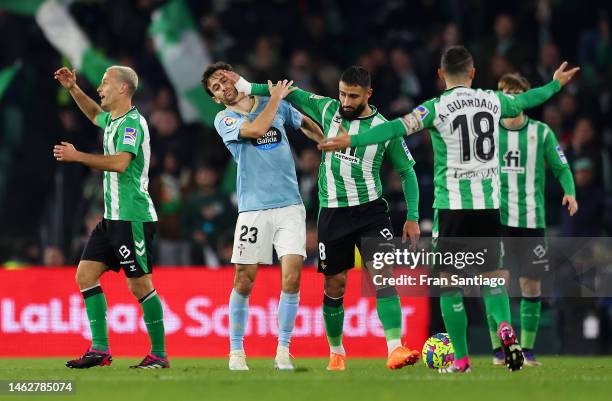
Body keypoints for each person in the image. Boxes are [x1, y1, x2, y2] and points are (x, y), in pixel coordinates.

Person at [319, 46, 579, 373]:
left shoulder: (436, 107)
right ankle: (504, 328)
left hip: (453, 206)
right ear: (472, 73)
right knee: (493, 277)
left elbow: (397, 127)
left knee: (447, 282)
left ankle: (462, 360)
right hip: (489, 205)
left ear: (441, 75)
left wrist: (352, 141)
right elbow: (528, 100)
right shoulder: (492, 99)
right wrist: (555, 83)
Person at [223, 66, 421, 370]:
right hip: (332, 213)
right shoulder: (329, 109)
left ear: (368, 94)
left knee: (383, 278)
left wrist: (413, 215)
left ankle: (395, 348)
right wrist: (249, 85)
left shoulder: (385, 128)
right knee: (335, 286)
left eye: (353, 96)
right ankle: (336, 351)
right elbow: (293, 93)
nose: (346, 100)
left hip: (371, 211)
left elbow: (407, 172)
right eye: (342, 93)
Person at [201, 62, 323, 371]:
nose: (221, 87)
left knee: (293, 276)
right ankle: (236, 352)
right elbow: (256, 129)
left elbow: (303, 122)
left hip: (290, 206)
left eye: (222, 79)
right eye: (215, 88)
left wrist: (324, 142)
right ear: (215, 99)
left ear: (234, 76)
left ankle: (283, 350)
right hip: (253, 209)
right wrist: (277, 100)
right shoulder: (224, 118)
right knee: (244, 278)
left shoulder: (273, 103)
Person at [53, 66, 168, 368]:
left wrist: (77, 156)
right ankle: (100, 350)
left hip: (133, 217)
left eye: (105, 83)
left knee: (140, 285)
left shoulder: (132, 124)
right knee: (85, 275)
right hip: (112, 218)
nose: (100, 88)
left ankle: (159, 354)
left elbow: (119, 163)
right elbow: (94, 115)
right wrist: (73, 88)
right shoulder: (113, 120)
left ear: (123, 89)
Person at [488, 73, 577, 367]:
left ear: (526, 97)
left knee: (531, 285)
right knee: (495, 280)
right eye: (505, 91)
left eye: (516, 91)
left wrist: (570, 193)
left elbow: (561, 167)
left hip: (531, 219)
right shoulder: (486, 131)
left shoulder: (542, 133)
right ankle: (500, 350)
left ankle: (526, 350)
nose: (510, 96)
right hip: (495, 218)